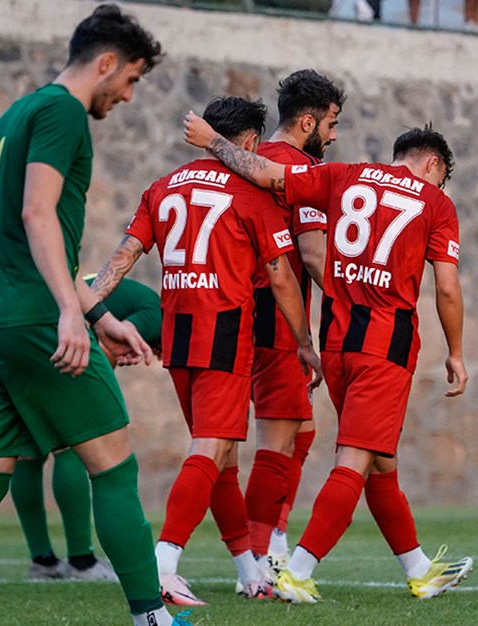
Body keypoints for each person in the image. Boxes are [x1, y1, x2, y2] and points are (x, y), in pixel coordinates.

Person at [0, 6, 187, 626]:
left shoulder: (13, 116)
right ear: (105, 63)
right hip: (38, 321)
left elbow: (34, 243)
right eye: (129, 79)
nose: (128, 95)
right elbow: (37, 215)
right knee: (115, 467)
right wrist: (70, 318)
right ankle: (151, 617)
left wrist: (99, 314)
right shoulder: (63, 112)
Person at [183, 115, 474, 603]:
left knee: (381, 461)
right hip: (387, 347)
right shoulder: (436, 202)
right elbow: (446, 286)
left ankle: (420, 569)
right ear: (432, 164)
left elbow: (265, 174)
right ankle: (297, 570)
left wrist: (213, 141)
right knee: (356, 458)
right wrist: (458, 353)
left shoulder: (344, 176)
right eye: (440, 175)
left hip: (337, 345)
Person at [91, 96, 323, 606]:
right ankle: (161, 563)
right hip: (224, 329)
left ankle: (250, 570)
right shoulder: (250, 194)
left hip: (177, 335)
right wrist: (305, 343)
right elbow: (283, 278)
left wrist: (83, 303)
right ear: (248, 144)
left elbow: (125, 256)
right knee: (211, 451)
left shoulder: (161, 187)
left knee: (220, 456)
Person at [242, 69, 342, 583]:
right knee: (276, 441)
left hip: (248, 312)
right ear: (308, 121)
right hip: (276, 316)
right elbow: (311, 253)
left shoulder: (254, 158)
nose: (333, 135)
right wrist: (358, 301)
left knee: (301, 432)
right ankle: (256, 563)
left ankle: (273, 539)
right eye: (331, 123)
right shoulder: (299, 170)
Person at [10, 277, 161, 582]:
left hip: (16, 326)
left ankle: (42, 561)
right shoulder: (157, 315)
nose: (162, 360)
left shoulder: (141, 298)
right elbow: (101, 353)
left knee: (27, 450)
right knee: (74, 442)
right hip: (51, 332)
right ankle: (81, 562)